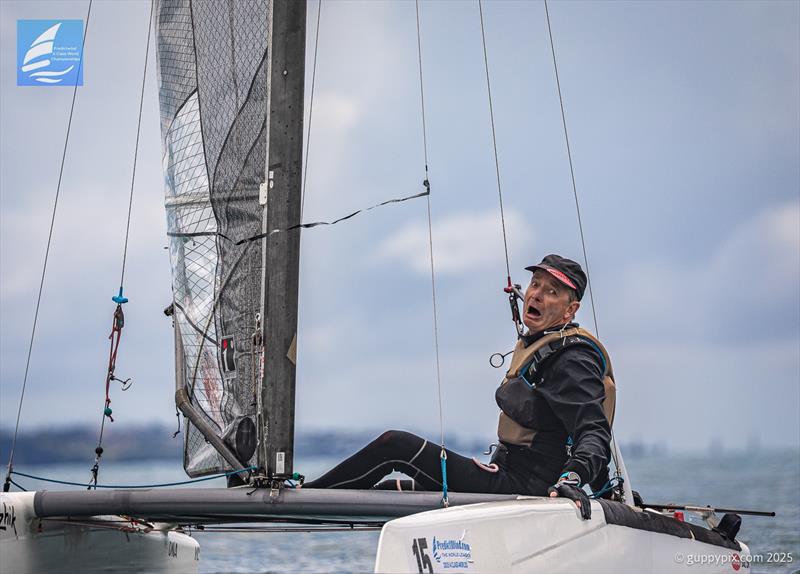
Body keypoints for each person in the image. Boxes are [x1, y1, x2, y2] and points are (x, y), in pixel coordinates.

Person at [303, 254, 613, 520]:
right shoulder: (546, 343)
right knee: (388, 492)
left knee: (394, 445)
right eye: (535, 285)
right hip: (505, 475)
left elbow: (593, 430)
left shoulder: (572, 359)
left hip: (524, 490)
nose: (535, 295)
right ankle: (309, 508)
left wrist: (574, 478)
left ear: (570, 310)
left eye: (552, 291)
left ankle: (301, 498)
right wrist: (606, 490)